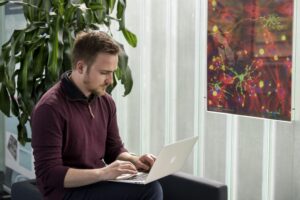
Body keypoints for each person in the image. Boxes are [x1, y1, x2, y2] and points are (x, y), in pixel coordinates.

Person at [31, 31, 163, 200]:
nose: (111, 80)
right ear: (80, 67)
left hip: (97, 182)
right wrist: (104, 173)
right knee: (149, 191)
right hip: (64, 192)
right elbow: (49, 174)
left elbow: (113, 149)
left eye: (113, 72)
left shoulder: (106, 101)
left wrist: (135, 160)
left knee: (155, 181)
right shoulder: (49, 108)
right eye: (104, 73)